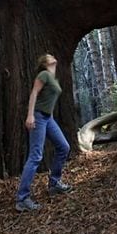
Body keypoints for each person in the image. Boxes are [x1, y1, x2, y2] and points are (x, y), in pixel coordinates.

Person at [15, 53, 72, 212]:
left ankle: (54, 183)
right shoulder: (43, 74)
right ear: (45, 62)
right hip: (38, 117)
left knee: (64, 147)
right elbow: (34, 93)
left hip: (48, 118)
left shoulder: (53, 78)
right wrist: (30, 115)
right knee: (36, 156)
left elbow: (49, 100)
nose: (53, 56)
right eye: (49, 56)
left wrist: (49, 116)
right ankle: (22, 198)